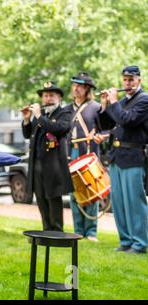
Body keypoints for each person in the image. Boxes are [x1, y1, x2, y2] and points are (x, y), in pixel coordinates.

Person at [99, 65, 148, 254]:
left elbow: (127, 120)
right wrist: (105, 105)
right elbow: (106, 124)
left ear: (139, 80)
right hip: (117, 157)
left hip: (133, 156)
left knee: (134, 202)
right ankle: (125, 241)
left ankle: (140, 243)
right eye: (125, 80)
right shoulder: (120, 102)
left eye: (131, 79)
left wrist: (113, 103)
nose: (127, 83)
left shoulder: (144, 100)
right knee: (119, 202)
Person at [21, 81, 73, 231]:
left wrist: (37, 115)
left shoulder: (64, 113)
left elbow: (58, 129)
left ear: (59, 98)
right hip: (37, 163)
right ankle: (46, 229)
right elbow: (27, 134)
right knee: (40, 197)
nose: (47, 99)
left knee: (53, 196)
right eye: (45, 96)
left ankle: (57, 230)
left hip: (53, 164)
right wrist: (26, 119)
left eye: (51, 95)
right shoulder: (41, 115)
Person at [66, 72, 103, 241]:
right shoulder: (67, 109)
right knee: (74, 193)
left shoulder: (96, 108)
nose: (76, 88)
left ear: (87, 89)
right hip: (70, 153)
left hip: (88, 153)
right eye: (75, 85)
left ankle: (91, 232)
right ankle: (78, 230)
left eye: (80, 86)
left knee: (91, 192)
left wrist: (99, 135)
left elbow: (106, 130)